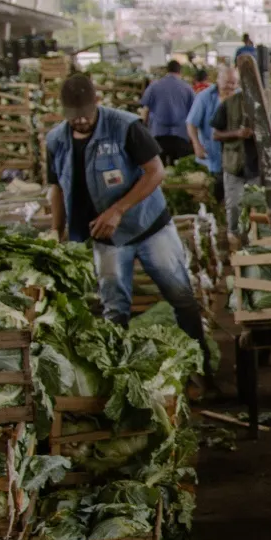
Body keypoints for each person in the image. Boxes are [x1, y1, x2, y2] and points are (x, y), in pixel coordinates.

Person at [45, 74, 205, 345]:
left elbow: (155, 172)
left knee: (181, 296)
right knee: (114, 309)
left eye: (85, 114)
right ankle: (122, 369)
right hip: (106, 238)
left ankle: (203, 363)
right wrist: (56, 230)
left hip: (149, 227)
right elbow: (56, 188)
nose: (81, 120)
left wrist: (118, 210)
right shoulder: (56, 140)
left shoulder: (124, 126)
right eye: (74, 116)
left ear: (97, 101)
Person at [208, 67, 260, 237]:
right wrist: (237, 134)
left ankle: (254, 240)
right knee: (234, 205)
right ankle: (234, 238)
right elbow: (215, 134)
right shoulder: (228, 104)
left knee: (257, 204)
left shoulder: (264, 105)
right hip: (234, 163)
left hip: (257, 163)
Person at [140, 60, 197, 164]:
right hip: (181, 135)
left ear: (167, 70)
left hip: (158, 134)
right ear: (180, 71)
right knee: (178, 169)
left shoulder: (154, 86)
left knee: (159, 167)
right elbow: (194, 113)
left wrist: (144, 128)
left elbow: (146, 109)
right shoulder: (187, 88)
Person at [187, 66, 223, 177]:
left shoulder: (239, 94)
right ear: (218, 81)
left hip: (235, 158)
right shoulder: (204, 96)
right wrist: (196, 145)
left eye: (234, 83)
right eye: (227, 83)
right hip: (212, 153)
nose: (231, 87)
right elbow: (191, 123)